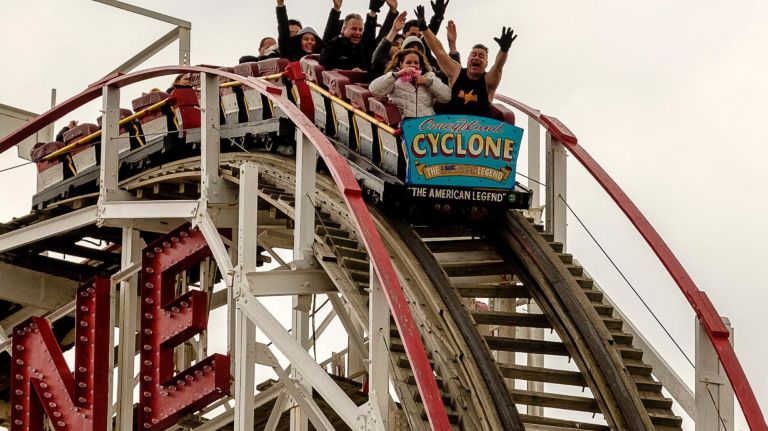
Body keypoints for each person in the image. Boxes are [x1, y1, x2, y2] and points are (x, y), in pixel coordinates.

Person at [417, 5, 517, 117]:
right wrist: (424, 28)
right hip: (451, 130)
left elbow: (498, 66)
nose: (476, 58)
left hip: (481, 131)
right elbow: (439, 51)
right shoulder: (456, 72)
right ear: (468, 59)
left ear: (486, 64)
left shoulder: (488, 80)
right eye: (473, 55)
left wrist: (504, 50)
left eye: (481, 56)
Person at [369, 48, 451, 119]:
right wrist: (397, 74)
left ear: (420, 65)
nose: (413, 65)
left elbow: (446, 97)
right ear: (401, 65)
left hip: (427, 126)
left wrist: (427, 82)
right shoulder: (394, 79)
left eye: (416, 63)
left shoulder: (429, 76)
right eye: (408, 62)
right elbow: (374, 90)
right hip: (404, 126)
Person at [319, 0, 385, 71]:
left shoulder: (364, 47)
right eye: (354, 29)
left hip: (363, 81)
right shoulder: (333, 45)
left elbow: (370, 34)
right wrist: (350, 72)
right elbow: (325, 63)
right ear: (344, 29)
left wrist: (373, 11)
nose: (358, 33)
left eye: (360, 30)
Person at [371, 11, 407, 77]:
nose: (399, 47)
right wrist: (394, 30)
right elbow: (378, 58)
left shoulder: (407, 65)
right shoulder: (382, 65)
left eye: (402, 45)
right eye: (395, 44)